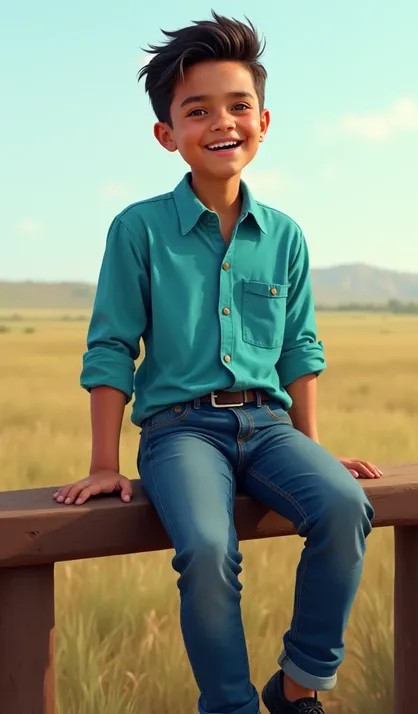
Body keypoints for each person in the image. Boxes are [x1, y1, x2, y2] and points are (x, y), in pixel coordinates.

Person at [53, 12, 381, 714]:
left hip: (270, 427)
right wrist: (106, 462)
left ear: (264, 119)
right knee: (205, 548)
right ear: (166, 134)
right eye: (196, 110)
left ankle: (298, 687)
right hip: (179, 432)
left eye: (238, 106)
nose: (221, 122)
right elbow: (112, 345)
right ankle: (229, 707)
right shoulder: (138, 229)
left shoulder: (285, 235)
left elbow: (300, 347)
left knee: (345, 505)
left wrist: (313, 450)